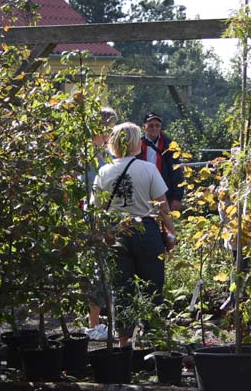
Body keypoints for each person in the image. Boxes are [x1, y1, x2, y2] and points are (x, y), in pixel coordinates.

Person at [92, 122, 176, 348]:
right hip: (146, 230)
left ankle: (123, 342)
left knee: (122, 289)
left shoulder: (104, 171)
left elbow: (96, 209)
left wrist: (100, 237)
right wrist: (172, 233)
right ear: (135, 143)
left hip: (116, 233)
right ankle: (151, 340)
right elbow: (162, 207)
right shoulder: (148, 169)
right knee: (153, 286)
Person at [83, 106, 117, 341]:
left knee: (110, 269)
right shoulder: (87, 158)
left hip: (111, 217)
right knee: (98, 270)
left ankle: (108, 320)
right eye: (108, 129)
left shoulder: (108, 155)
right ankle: (93, 324)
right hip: (93, 218)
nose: (110, 134)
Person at [137, 112, 184, 212]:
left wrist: (177, 197)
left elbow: (177, 171)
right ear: (144, 127)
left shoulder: (169, 145)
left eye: (157, 125)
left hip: (165, 191)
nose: (154, 128)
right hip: (143, 191)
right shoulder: (137, 145)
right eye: (151, 125)